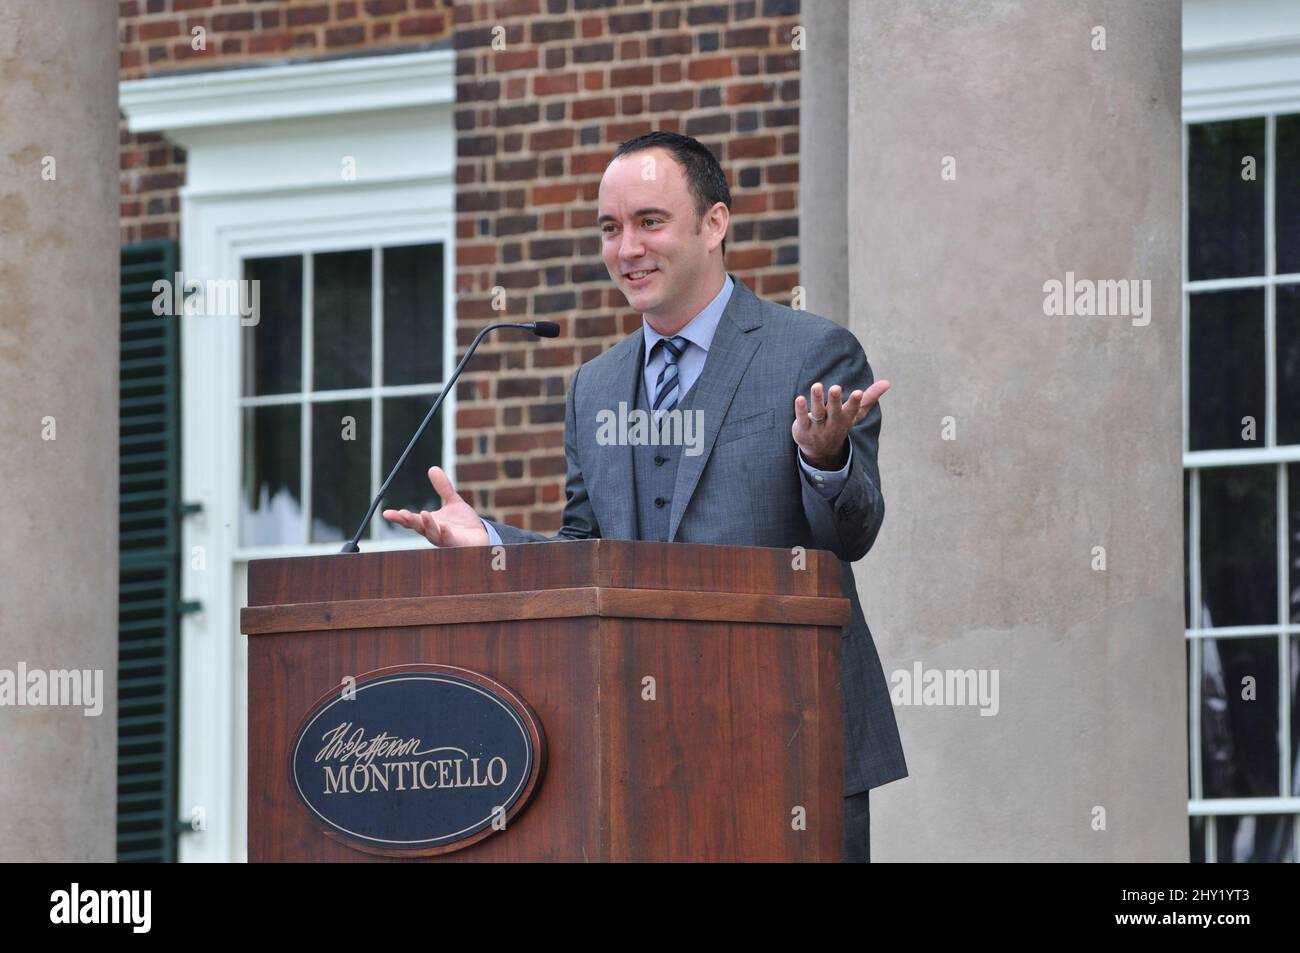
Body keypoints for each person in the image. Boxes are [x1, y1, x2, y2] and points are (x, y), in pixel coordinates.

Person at [383, 130, 907, 861]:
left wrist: (826, 459)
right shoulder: (594, 385)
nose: (626, 247)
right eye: (610, 227)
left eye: (650, 221)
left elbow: (852, 536)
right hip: (641, 753)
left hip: (794, 738)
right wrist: (493, 544)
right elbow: (588, 557)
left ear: (714, 223)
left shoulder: (811, 352)